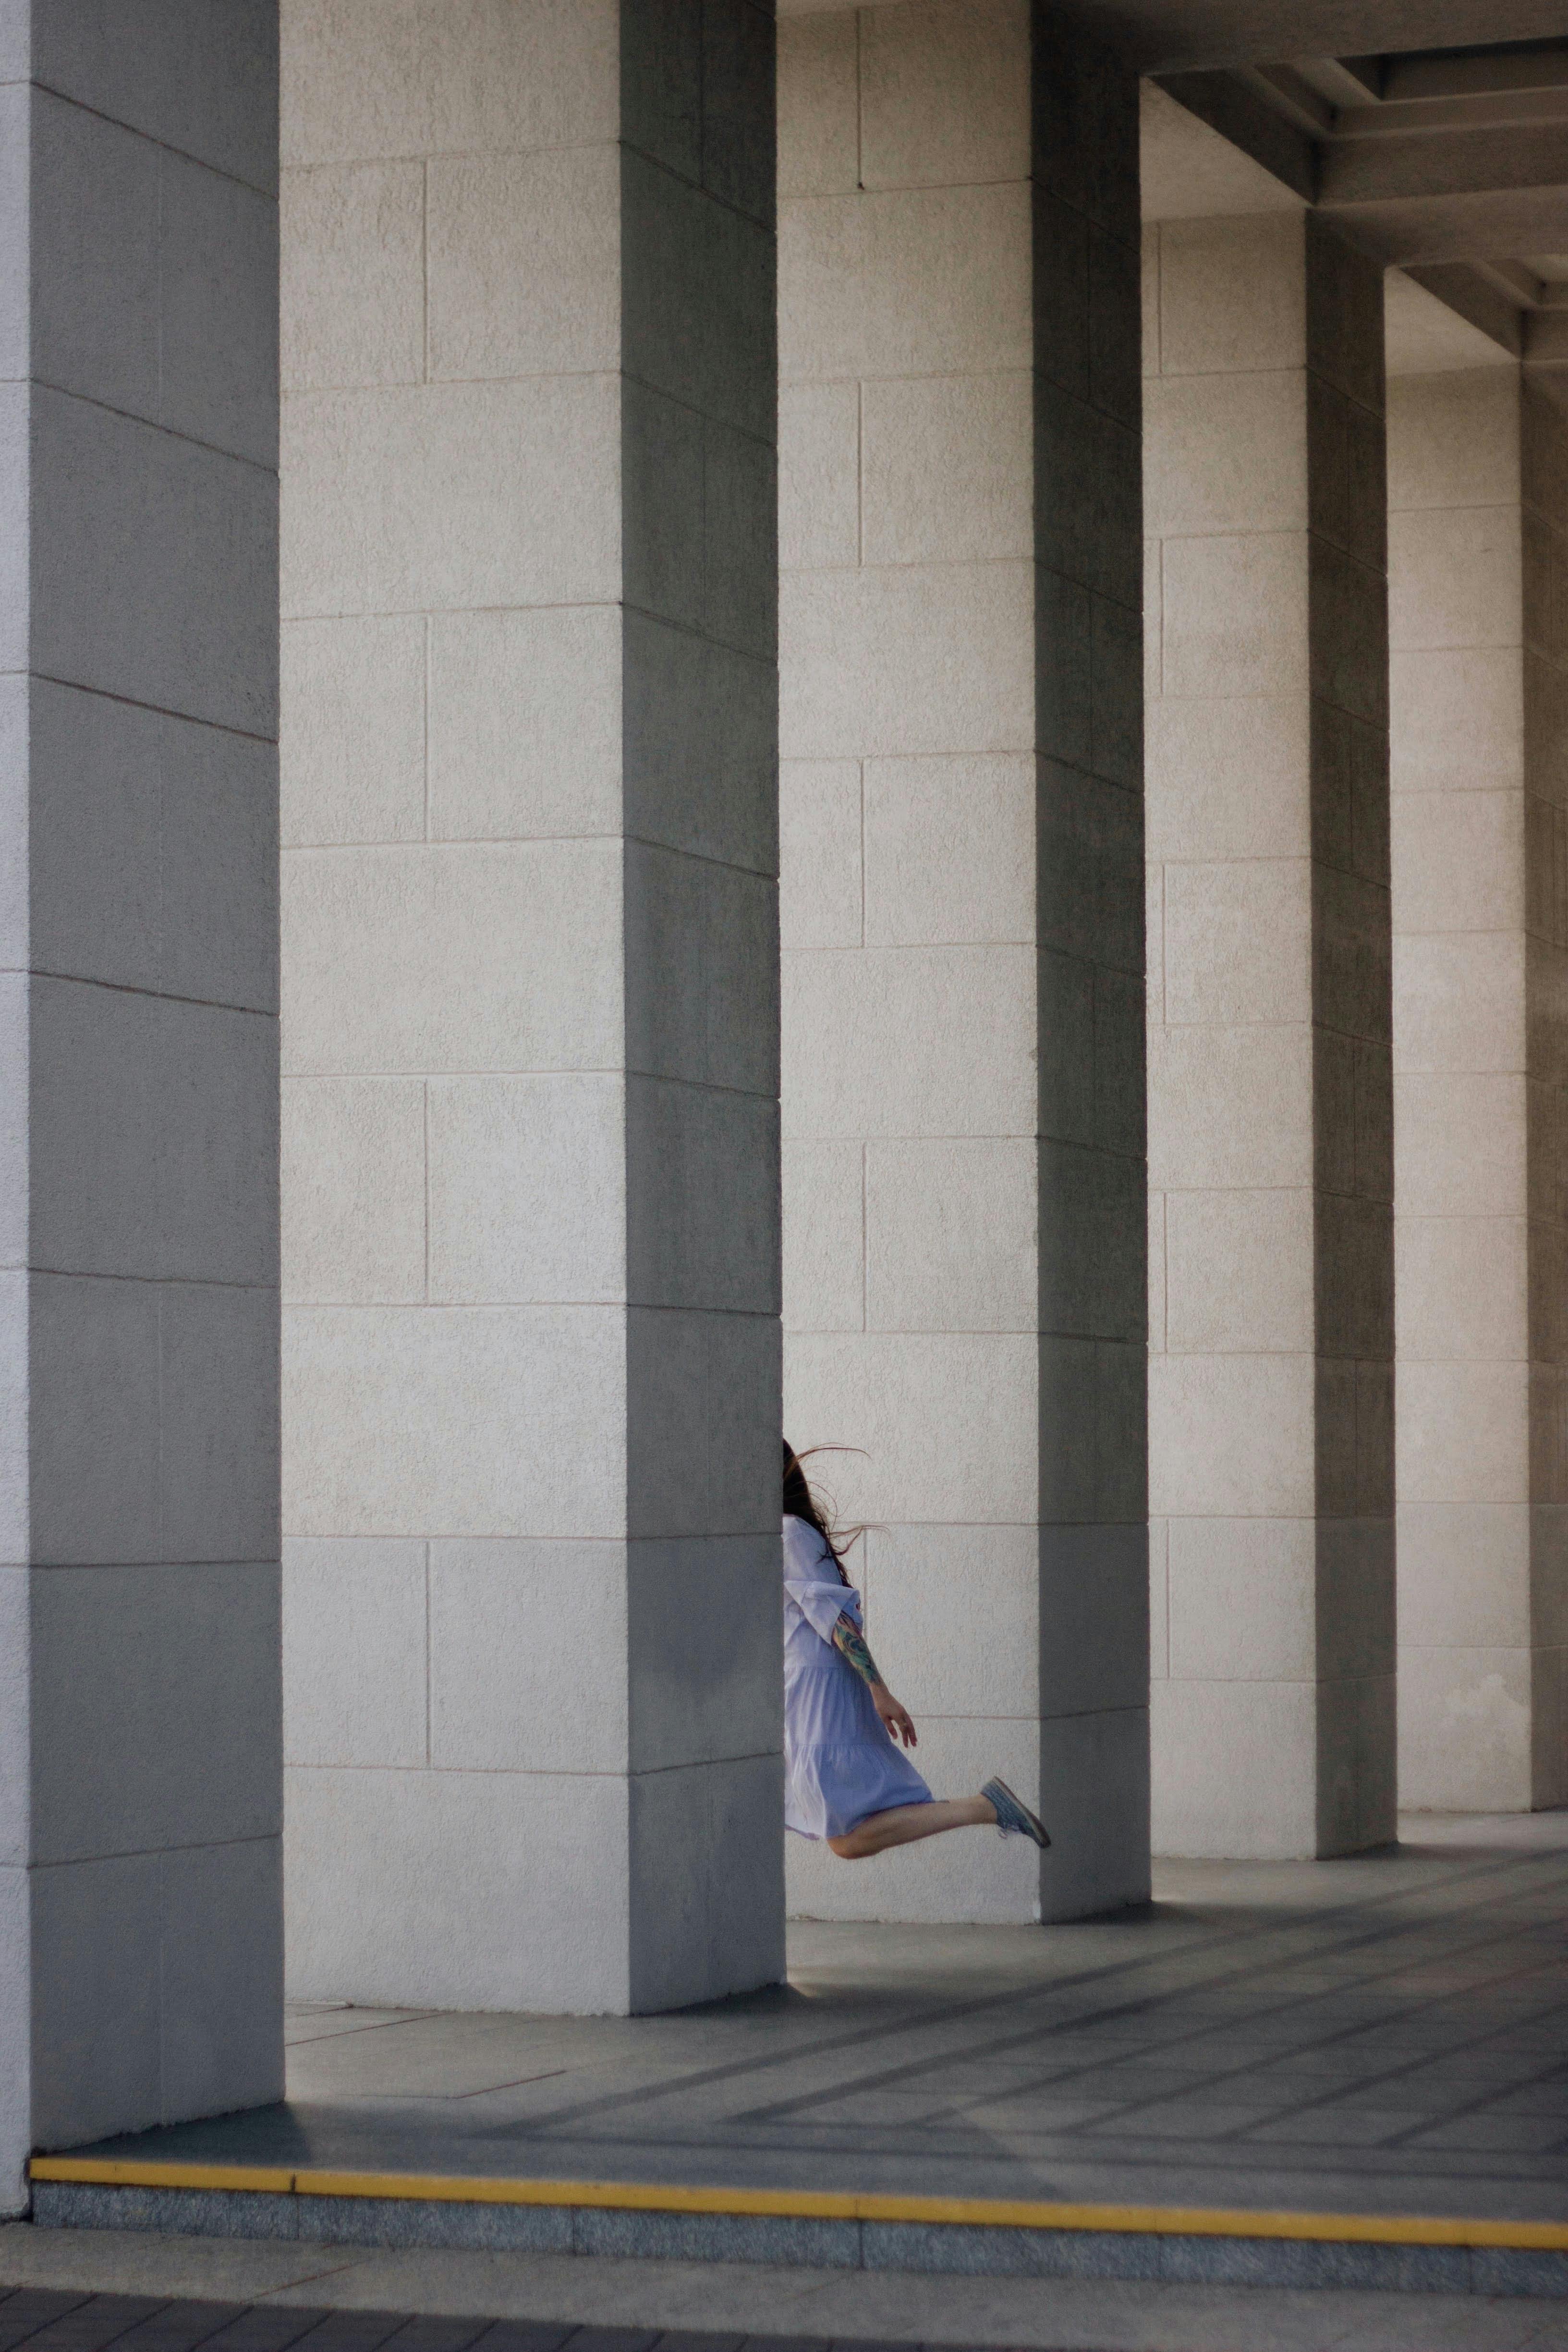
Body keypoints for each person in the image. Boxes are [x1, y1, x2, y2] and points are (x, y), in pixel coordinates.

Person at [782, 1440, 1050, 1860]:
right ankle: (984, 1807)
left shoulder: (789, 1532)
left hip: (817, 1693)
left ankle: (983, 1807)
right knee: (846, 1841)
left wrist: (879, 1690)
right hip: (806, 1690)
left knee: (842, 1832)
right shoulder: (786, 1531)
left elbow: (837, 1619)